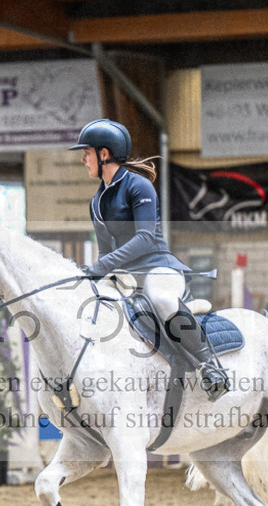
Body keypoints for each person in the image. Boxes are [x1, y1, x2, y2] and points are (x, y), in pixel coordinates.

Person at [70, 118, 229, 400]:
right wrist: (97, 276)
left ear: (104, 154)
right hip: (123, 276)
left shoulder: (139, 186)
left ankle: (210, 366)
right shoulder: (96, 202)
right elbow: (106, 250)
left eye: (87, 152)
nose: (83, 158)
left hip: (157, 267)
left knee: (164, 301)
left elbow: (144, 238)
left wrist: (99, 268)